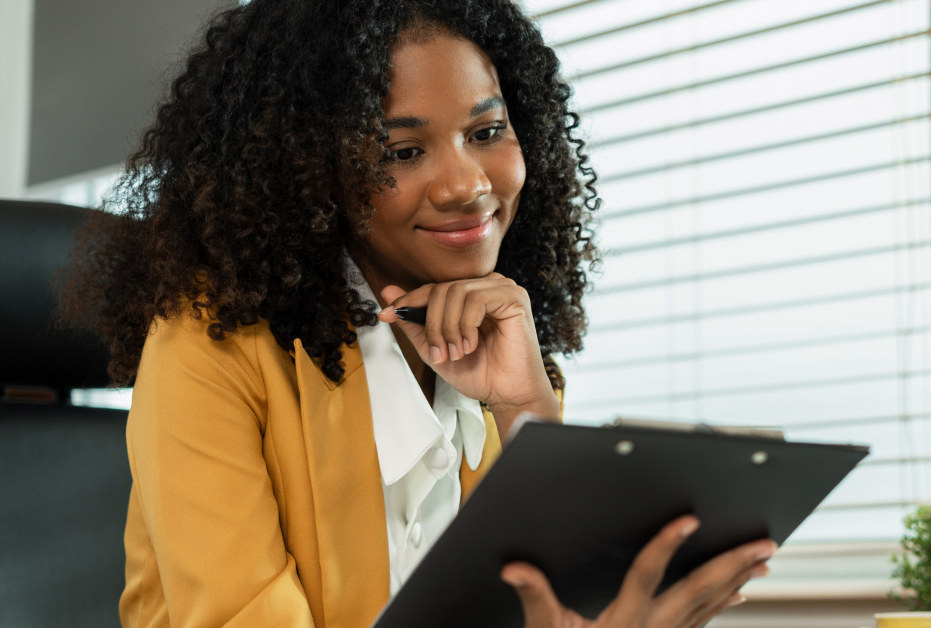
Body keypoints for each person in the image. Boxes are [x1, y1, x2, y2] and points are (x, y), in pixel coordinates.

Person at [60, 1, 775, 626]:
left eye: (487, 132)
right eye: (403, 151)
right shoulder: (209, 344)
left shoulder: (508, 353)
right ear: (308, 171)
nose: (467, 184)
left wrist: (527, 410)